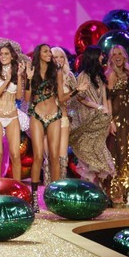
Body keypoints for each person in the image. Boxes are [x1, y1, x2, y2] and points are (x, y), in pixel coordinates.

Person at [68, 46, 114, 185]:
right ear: (94, 57)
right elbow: (81, 98)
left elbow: (104, 98)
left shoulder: (100, 76)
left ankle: (97, 189)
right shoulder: (83, 76)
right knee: (90, 158)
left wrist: (108, 117)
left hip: (101, 121)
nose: (102, 57)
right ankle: (89, 188)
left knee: (99, 152)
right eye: (100, 55)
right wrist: (97, 107)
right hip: (89, 120)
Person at [105, 45, 129, 207]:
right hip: (117, 119)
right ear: (110, 58)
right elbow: (108, 99)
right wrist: (110, 121)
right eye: (114, 54)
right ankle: (114, 194)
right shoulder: (111, 75)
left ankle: (124, 192)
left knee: (128, 155)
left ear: (124, 56)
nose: (117, 57)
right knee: (116, 155)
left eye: (120, 53)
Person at [27, 44, 65, 188]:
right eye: (46, 51)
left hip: (54, 115)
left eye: (50, 51)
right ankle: (34, 195)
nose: (49, 53)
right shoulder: (32, 72)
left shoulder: (56, 72)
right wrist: (29, 79)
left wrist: (76, 91)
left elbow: (61, 97)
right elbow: (26, 97)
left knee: (54, 156)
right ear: (39, 54)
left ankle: (55, 192)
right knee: (38, 156)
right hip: (37, 115)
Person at [0, 41, 25, 186]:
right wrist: (7, 80)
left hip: (12, 116)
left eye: (6, 54)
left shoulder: (17, 74)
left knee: (15, 155)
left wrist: (19, 76)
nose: (3, 56)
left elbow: (19, 96)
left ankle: (18, 189)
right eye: (1, 54)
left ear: (12, 56)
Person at [50, 47, 77, 182]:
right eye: (56, 57)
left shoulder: (69, 76)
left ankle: (60, 184)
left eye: (62, 57)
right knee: (51, 154)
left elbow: (77, 97)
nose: (59, 59)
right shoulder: (46, 76)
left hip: (64, 117)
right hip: (49, 119)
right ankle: (50, 184)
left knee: (62, 155)